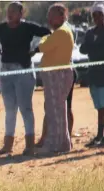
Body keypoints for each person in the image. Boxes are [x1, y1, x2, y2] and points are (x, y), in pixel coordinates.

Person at [0, 1, 51, 155]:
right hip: (6, 72)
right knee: (10, 109)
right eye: (8, 11)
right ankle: (8, 145)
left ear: (21, 13)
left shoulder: (27, 27)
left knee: (25, 108)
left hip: (24, 71)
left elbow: (48, 33)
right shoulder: (2, 28)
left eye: (14, 11)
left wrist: (36, 50)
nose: (10, 14)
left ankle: (29, 145)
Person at [37, 4, 74, 154]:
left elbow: (43, 46)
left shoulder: (61, 32)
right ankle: (63, 143)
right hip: (57, 73)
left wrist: (45, 38)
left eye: (52, 15)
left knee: (54, 111)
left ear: (61, 15)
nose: (49, 18)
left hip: (56, 74)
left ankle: (53, 144)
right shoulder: (62, 31)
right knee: (59, 109)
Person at [80, 2, 104, 148]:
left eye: (100, 14)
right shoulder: (89, 32)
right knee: (99, 107)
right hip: (93, 74)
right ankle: (99, 135)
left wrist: (91, 45)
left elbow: (101, 51)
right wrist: (92, 45)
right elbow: (82, 49)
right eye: (94, 15)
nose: (97, 17)